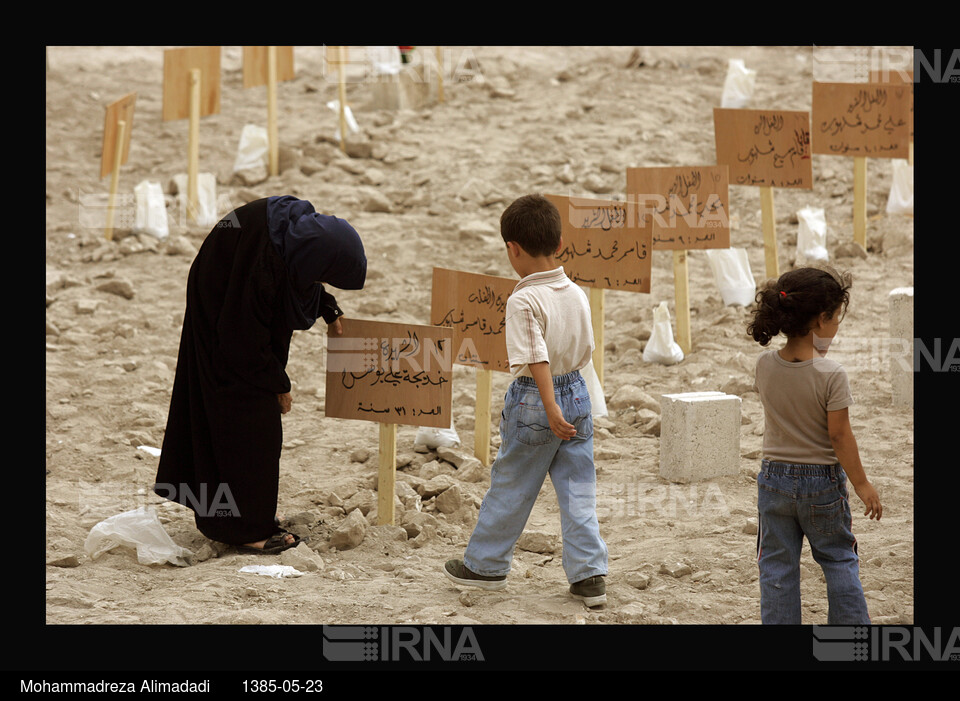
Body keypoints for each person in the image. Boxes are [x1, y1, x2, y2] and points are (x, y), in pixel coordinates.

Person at [153, 195, 366, 554]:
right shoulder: (263, 268)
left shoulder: (296, 237)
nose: (321, 279)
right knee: (247, 412)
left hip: (237, 294)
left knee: (252, 408)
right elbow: (244, 344)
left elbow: (299, 278)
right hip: (221, 301)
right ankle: (244, 528)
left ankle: (242, 515)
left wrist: (327, 306)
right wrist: (278, 385)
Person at [442, 194, 609, 607]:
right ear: (558, 242)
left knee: (513, 482)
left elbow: (536, 357)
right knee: (578, 488)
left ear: (512, 249)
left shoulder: (522, 299)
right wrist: (571, 402)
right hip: (578, 391)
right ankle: (589, 575)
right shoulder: (575, 291)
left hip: (538, 399)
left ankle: (485, 566)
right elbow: (586, 349)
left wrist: (550, 406)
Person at [747, 265, 882, 624]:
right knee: (838, 558)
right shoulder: (831, 374)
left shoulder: (763, 365)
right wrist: (862, 484)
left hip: (773, 479)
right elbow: (839, 436)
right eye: (836, 318)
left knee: (776, 566)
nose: (837, 326)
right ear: (821, 320)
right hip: (822, 483)